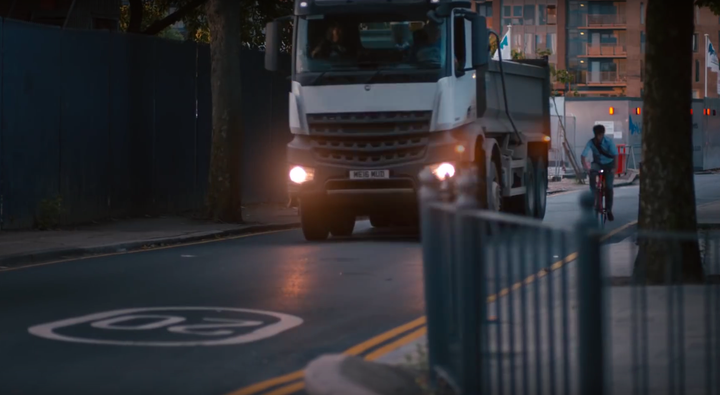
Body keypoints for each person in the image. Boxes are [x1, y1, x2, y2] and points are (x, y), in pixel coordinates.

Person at [581, 124, 618, 221]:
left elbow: (615, 155)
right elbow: (583, 155)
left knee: (609, 187)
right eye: (597, 134)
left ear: (603, 134)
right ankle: (594, 197)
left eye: (600, 134)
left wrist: (615, 168)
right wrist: (586, 168)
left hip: (609, 164)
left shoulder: (609, 142)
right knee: (592, 176)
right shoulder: (591, 142)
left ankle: (609, 209)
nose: (599, 137)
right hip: (597, 163)